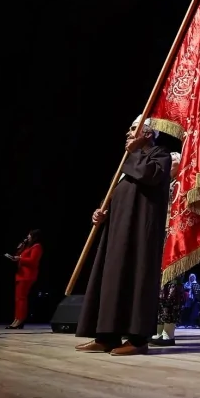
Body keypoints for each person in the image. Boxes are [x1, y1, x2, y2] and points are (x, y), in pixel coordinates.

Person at [75, 115, 173, 356]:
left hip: (141, 231)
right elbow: (116, 194)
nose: (127, 133)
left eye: (133, 129)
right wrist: (102, 212)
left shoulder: (159, 154)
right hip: (117, 230)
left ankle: (138, 340)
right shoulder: (126, 161)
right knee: (111, 279)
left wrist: (135, 152)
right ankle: (107, 335)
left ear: (148, 134)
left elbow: (150, 176)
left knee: (137, 277)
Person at [151, 152, 184, 347]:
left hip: (175, 237)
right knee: (158, 286)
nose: (168, 166)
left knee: (171, 287)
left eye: (172, 163)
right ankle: (157, 329)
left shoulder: (182, 184)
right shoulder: (164, 184)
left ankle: (169, 332)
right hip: (161, 235)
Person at [6, 229, 44, 329]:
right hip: (20, 274)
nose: (28, 237)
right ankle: (16, 319)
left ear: (35, 237)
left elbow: (33, 261)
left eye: (30, 235)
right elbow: (20, 256)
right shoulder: (27, 247)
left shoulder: (37, 247)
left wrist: (20, 258)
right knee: (18, 298)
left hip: (27, 275)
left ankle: (20, 319)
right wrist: (19, 250)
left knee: (21, 298)